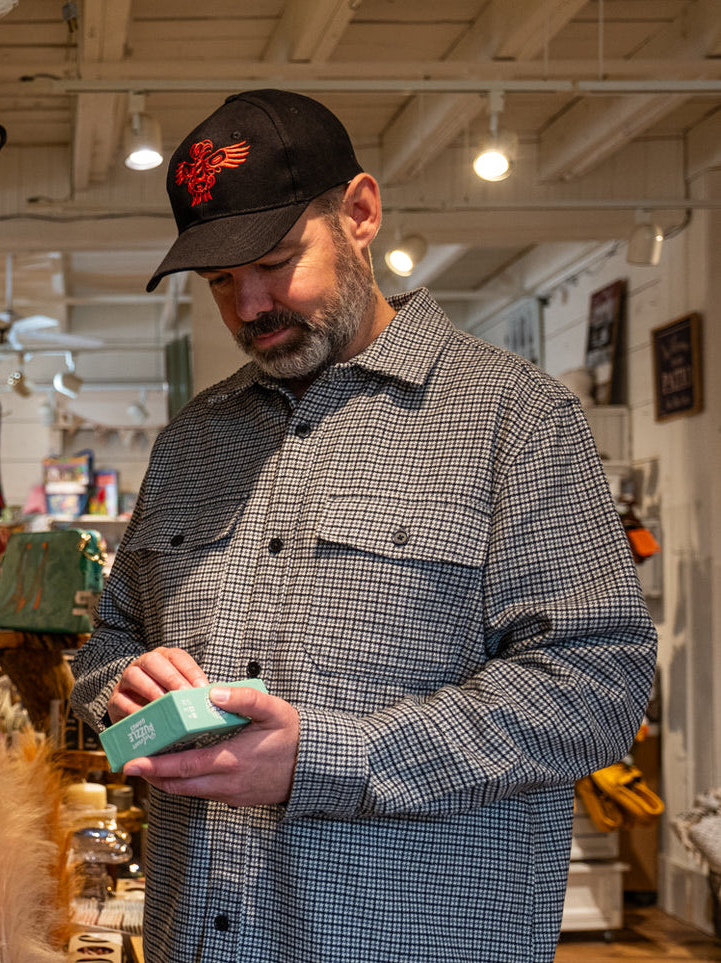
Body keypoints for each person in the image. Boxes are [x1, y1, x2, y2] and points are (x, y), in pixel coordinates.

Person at [68, 89, 657, 963]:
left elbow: (597, 689)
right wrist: (121, 686)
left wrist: (325, 759)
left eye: (274, 259)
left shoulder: (513, 419)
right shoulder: (193, 440)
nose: (249, 305)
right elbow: (108, 642)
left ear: (360, 213)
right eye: (220, 280)